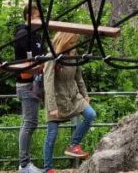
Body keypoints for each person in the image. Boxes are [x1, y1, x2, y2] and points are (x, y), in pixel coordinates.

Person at [42, 31, 96, 170]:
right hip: (56, 100)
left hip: (74, 97)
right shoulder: (51, 58)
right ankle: (48, 168)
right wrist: (52, 107)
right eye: (71, 43)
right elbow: (48, 84)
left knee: (91, 115)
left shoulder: (74, 55)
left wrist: (85, 95)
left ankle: (74, 145)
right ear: (64, 42)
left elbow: (79, 77)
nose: (74, 45)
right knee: (52, 136)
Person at [13, 4, 47, 173]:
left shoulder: (38, 35)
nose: (39, 20)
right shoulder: (23, 34)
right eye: (36, 17)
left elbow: (44, 57)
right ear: (27, 16)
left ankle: (25, 163)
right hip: (27, 83)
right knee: (29, 123)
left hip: (36, 82)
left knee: (31, 122)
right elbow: (23, 63)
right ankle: (24, 164)